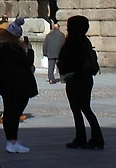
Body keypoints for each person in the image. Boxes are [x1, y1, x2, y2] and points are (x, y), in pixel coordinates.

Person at [0, 18, 37, 154]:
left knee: (10, 112)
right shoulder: (13, 48)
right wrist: (29, 50)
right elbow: (27, 62)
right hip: (18, 83)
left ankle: (11, 140)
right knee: (14, 113)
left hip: (6, 83)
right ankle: (12, 142)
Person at [56, 15, 103, 150]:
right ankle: (93, 138)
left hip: (75, 78)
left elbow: (67, 60)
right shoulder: (85, 41)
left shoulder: (73, 42)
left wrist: (63, 69)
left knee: (78, 109)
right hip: (86, 78)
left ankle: (85, 138)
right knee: (85, 108)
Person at [42, 20, 65, 84]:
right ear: (59, 28)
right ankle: (63, 79)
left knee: (51, 67)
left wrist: (45, 53)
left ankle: (51, 79)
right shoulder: (62, 35)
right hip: (59, 53)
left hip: (51, 53)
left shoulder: (48, 35)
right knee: (61, 66)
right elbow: (64, 45)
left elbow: (45, 45)